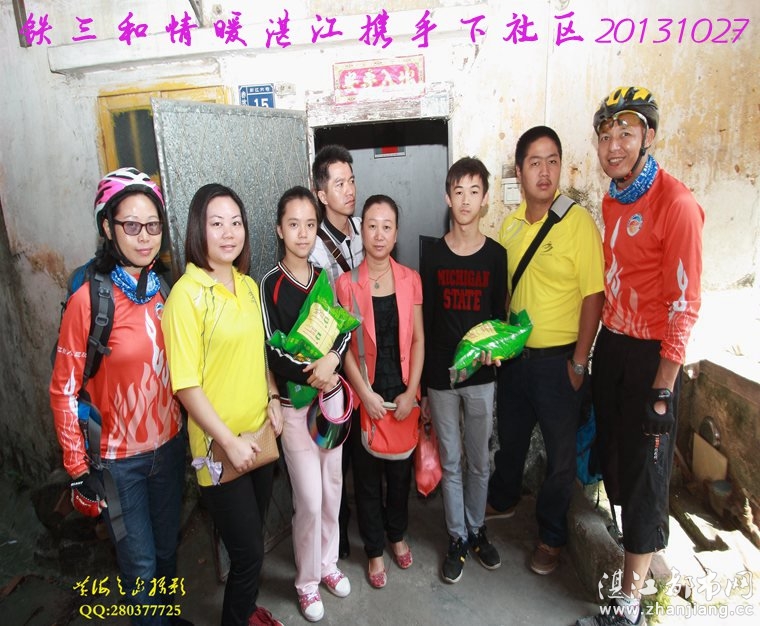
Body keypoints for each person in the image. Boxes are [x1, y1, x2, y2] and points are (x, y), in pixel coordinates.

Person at [576, 87, 704, 626]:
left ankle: (628, 604)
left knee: (646, 473)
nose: (613, 145)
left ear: (648, 136)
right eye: (605, 135)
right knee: (616, 459)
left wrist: (663, 385)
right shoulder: (613, 198)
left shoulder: (676, 204)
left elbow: (685, 303)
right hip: (614, 346)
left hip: (654, 356)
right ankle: (634, 557)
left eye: (625, 133)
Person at [50, 167, 188, 626]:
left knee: (167, 553)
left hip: (169, 450)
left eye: (152, 224)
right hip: (117, 463)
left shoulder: (166, 289)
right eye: (131, 225)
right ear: (108, 228)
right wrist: (78, 471)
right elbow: (63, 390)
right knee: (140, 567)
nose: (144, 236)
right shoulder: (89, 301)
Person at [485, 126, 604, 576]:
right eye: (534, 162)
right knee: (511, 441)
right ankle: (503, 499)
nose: (544, 171)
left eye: (552, 161)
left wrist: (580, 360)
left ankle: (551, 536)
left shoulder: (578, 223)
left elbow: (594, 295)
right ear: (519, 172)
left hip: (560, 363)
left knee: (559, 457)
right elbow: (504, 293)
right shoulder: (510, 226)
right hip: (516, 361)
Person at [162, 183, 283, 626]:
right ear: (199, 229)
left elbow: (258, 353)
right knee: (248, 554)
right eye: (217, 223)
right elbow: (185, 385)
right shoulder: (186, 296)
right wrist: (229, 441)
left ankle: (246, 611)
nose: (229, 233)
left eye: (236, 222)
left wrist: (273, 396)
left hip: (259, 438)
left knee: (253, 543)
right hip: (219, 450)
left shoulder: (248, 286)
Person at [261, 186, 352, 622]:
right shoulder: (269, 284)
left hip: (329, 400)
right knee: (310, 500)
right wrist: (313, 371)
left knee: (333, 489)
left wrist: (333, 359)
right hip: (295, 407)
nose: (302, 233)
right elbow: (271, 351)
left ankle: (329, 565)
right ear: (280, 229)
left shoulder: (322, 278)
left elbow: (341, 330)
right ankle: (307, 582)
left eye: (310, 224)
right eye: (293, 224)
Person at [420, 157, 508, 584]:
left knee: (480, 461)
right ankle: (456, 536)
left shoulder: (496, 256)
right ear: (447, 197)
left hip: (481, 379)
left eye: (475, 191)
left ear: (485, 198)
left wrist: (497, 352)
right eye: (459, 191)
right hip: (441, 377)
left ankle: (477, 529)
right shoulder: (433, 255)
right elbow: (426, 320)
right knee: (450, 461)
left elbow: (499, 317)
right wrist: (423, 386)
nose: (466, 200)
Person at [335, 195, 425, 589]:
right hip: (366, 394)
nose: (378, 234)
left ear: (396, 233)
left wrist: (412, 391)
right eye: (371, 225)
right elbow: (343, 348)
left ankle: (397, 533)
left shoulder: (410, 279)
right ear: (362, 231)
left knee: (400, 474)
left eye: (387, 226)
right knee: (367, 478)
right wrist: (364, 393)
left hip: (402, 391)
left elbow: (419, 339)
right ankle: (374, 549)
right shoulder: (346, 283)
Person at [309, 144, 364, 560]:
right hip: (335, 363)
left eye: (352, 181)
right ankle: (337, 537)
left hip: (369, 354)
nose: (349, 190)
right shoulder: (313, 246)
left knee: (364, 449)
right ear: (322, 194)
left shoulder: (364, 228)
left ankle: (367, 525)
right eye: (339, 183)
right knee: (336, 454)